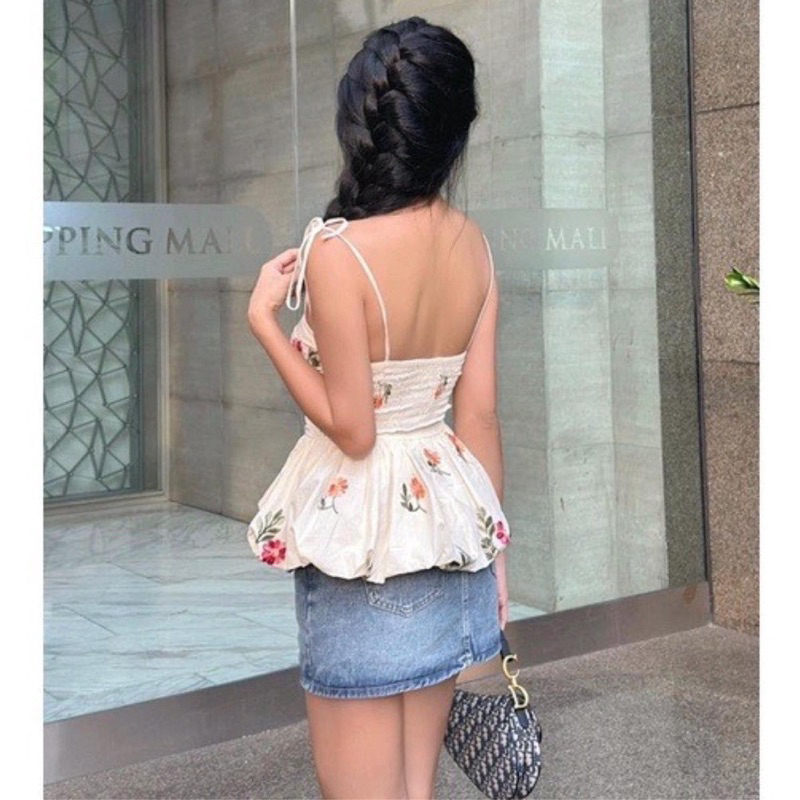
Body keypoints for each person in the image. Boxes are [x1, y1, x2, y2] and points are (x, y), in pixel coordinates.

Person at [245, 16, 511, 800]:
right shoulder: (474, 246)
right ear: (454, 129)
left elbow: (354, 429)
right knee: (414, 790)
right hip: (445, 532)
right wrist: (495, 556)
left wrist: (264, 324)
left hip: (359, 540)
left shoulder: (338, 252)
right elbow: (479, 419)